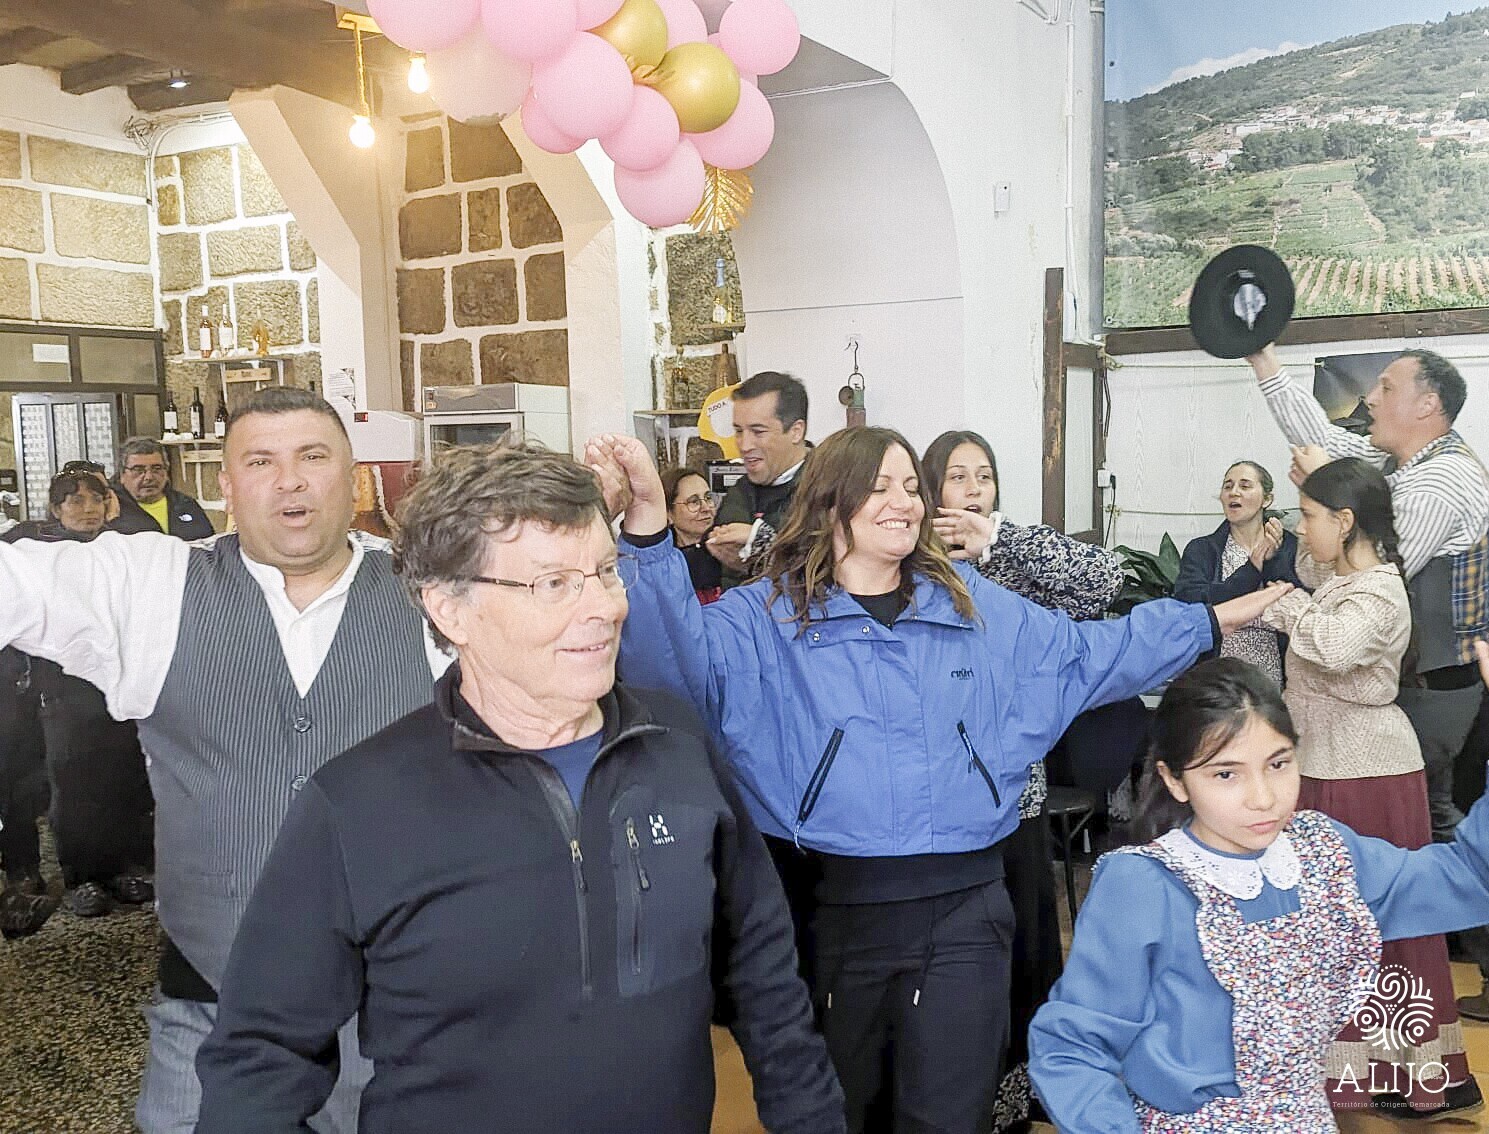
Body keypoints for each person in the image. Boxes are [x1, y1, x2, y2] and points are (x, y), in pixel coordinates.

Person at [592, 424, 1283, 1134]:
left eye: (910, 488)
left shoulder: (970, 603)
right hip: (829, 910)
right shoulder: (766, 615)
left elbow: (1088, 654)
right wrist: (645, 529)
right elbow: (670, 668)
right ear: (831, 502)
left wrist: (1205, 622)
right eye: (879, 487)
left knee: (952, 1113)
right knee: (841, 1111)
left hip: (966, 907)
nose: (905, 503)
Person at [195, 441, 845, 1133]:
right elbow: (259, 1060)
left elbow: (763, 972)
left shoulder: (676, 744)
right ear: (450, 608)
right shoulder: (360, 803)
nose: (603, 608)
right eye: (553, 583)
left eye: (605, 571)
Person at [0, 387, 447, 1131]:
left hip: (398, 1009)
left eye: (313, 457)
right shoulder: (152, 584)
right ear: (227, 487)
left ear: (353, 477)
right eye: (260, 461)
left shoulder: (437, 592)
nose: (290, 480)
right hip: (213, 1002)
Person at [1029, 657, 1489, 1132]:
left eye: (1278, 764)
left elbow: (1469, 878)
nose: (1263, 797)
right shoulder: (1143, 885)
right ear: (1174, 780)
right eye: (1226, 774)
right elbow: (1073, 1048)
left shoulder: (1323, 853)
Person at [1257, 457, 1477, 1118]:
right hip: (1322, 766)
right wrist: (1284, 550)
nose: (1302, 529)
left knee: (1389, 923)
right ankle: (1348, 1073)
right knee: (1332, 928)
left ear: (1346, 520)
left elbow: (1331, 646)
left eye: (1310, 516)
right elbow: (1309, 569)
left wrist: (1283, 603)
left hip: (1369, 774)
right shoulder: (1337, 577)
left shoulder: (1379, 593)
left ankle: (1426, 1078)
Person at [922, 427, 1124, 1132]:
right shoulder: (905, 560)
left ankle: (1025, 1092)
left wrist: (998, 539)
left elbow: (1105, 580)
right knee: (957, 967)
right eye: (957, 477)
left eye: (983, 476)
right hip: (935, 808)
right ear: (929, 488)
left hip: (1016, 798)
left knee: (1024, 952)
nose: (972, 490)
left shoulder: (1012, 561)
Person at [1247, 344, 1488, 843]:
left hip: (1435, 684)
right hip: (1406, 680)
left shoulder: (1441, 481)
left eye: (1387, 388)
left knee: (1430, 816)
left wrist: (1322, 493)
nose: (1371, 398)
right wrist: (1262, 358)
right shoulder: (1398, 461)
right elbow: (1320, 438)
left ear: (1427, 405)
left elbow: (1365, 568)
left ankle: (1456, 889)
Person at [3, 468, 155, 921]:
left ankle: (122, 868)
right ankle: (81, 877)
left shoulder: (124, 545)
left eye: (96, 499)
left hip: (120, 680)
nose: (87, 509)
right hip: (61, 687)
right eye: (75, 501)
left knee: (123, 775)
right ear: (56, 509)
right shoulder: (36, 551)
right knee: (73, 781)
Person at [1174, 460, 1303, 686]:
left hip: (1274, 671)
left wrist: (1273, 560)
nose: (1234, 492)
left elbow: (1300, 599)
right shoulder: (1201, 549)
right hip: (1215, 672)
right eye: (1228, 486)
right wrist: (1251, 570)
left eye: (1245, 486)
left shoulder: (1291, 547)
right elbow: (1190, 601)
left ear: (1267, 499)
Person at [706, 371, 810, 589]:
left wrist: (763, 543)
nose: (744, 445)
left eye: (758, 432)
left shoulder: (829, 491)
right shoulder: (739, 492)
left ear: (796, 431)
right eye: (738, 431)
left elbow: (831, 568)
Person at [110, 437, 214, 540]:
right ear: (122, 475)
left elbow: (209, 544)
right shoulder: (112, 509)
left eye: (156, 469)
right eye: (138, 470)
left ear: (166, 471)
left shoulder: (186, 504)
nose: (149, 477)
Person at [662, 465, 722, 603]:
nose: (706, 508)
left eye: (708, 498)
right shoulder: (662, 565)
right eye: (694, 502)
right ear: (668, 513)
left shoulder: (727, 551)